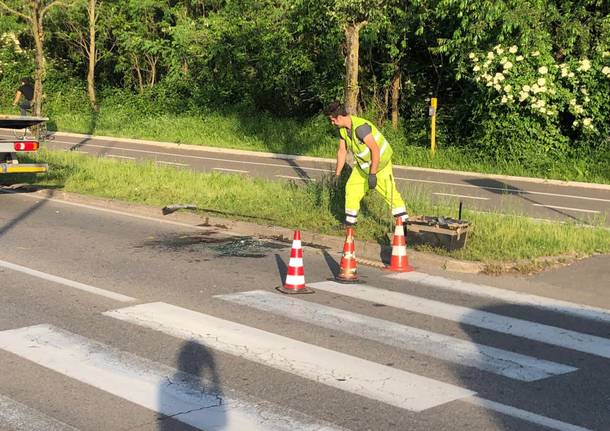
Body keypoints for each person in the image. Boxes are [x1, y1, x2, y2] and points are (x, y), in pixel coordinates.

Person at [325, 101, 408, 227]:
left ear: (340, 118)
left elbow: (375, 149)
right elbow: (342, 151)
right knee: (352, 188)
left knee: (389, 193)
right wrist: (337, 174)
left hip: (380, 165)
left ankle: (404, 224)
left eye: (332, 120)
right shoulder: (342, 130)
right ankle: (349, 224)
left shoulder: (360, 128)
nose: (332, 123)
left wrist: (373, 174)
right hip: (363, 167)